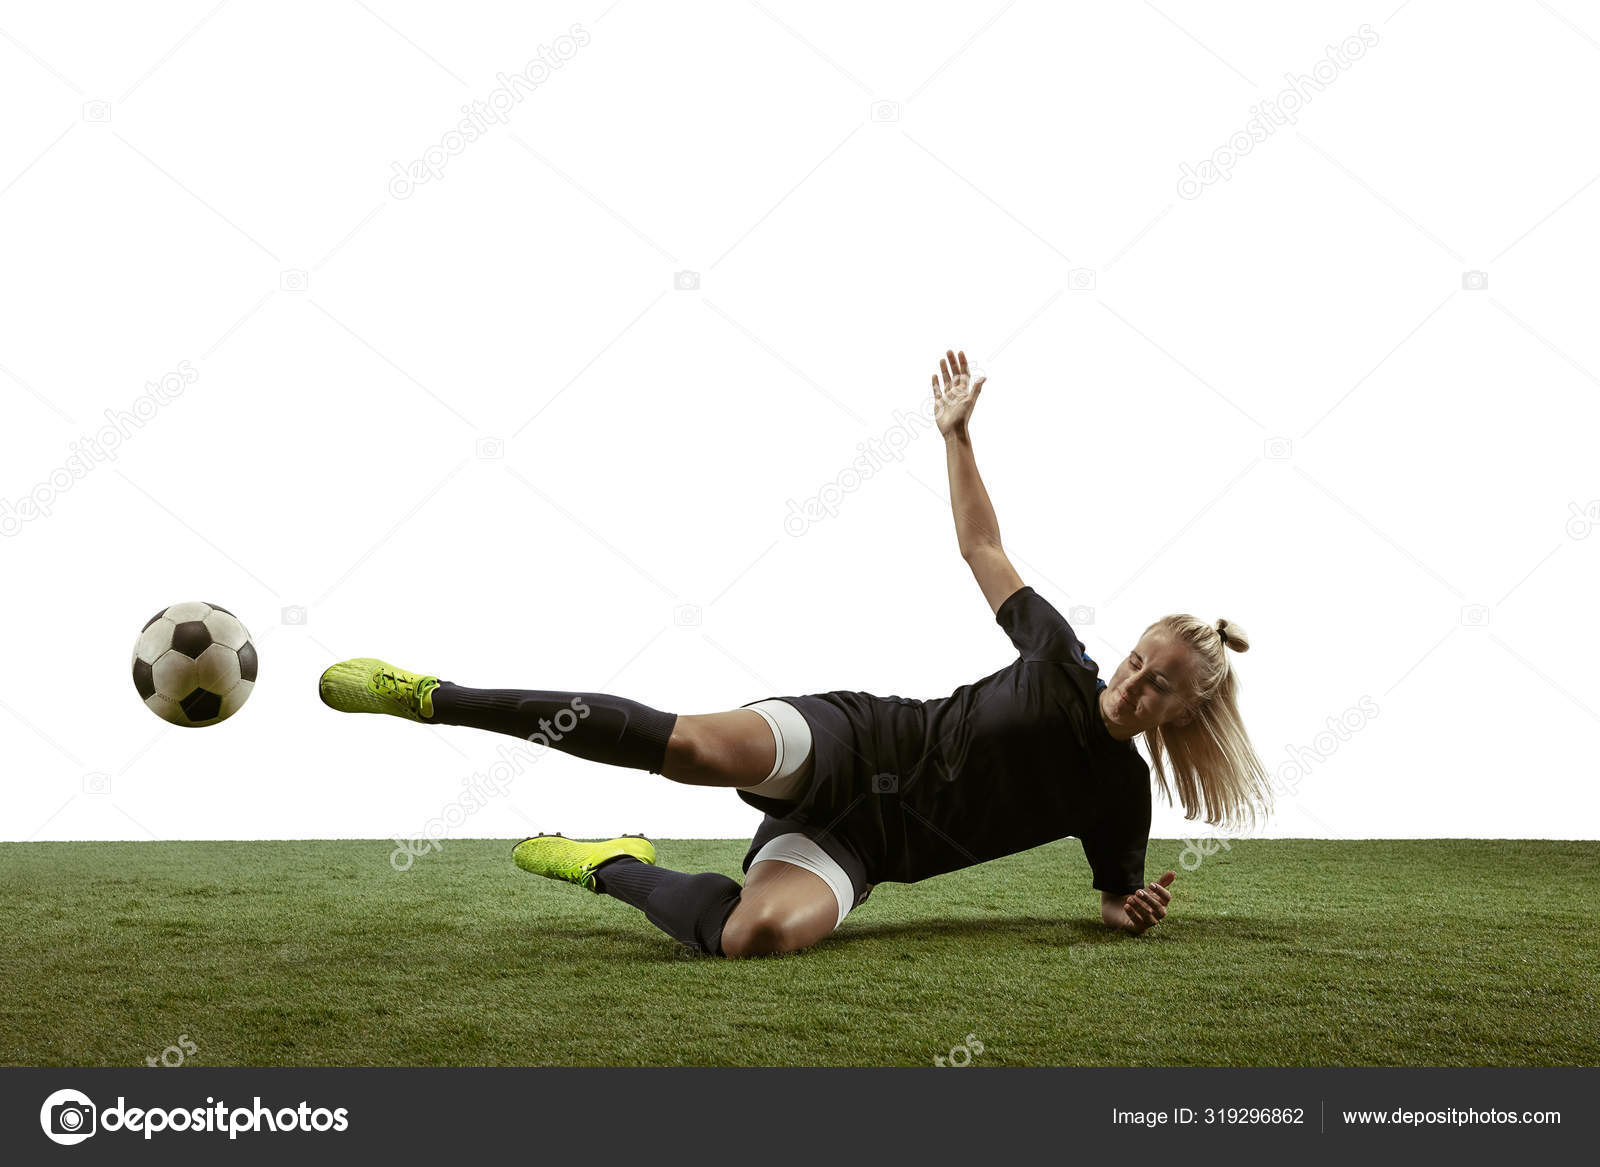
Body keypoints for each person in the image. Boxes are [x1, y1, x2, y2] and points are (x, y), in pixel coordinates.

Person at [318, 349, 1273, 958]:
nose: (1135, 683)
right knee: (691, 748)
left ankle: (605, 861)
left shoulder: (1120, 796)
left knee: (755, 937)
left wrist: (1130, 910)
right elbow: (983, 548)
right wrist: (957, 437)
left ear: (1183, 714)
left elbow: (1110, 901)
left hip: (867, 845)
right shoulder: (1058, 651)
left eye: (1161, 689)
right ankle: (440, 696)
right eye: (1140, 660)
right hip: (857, 741)